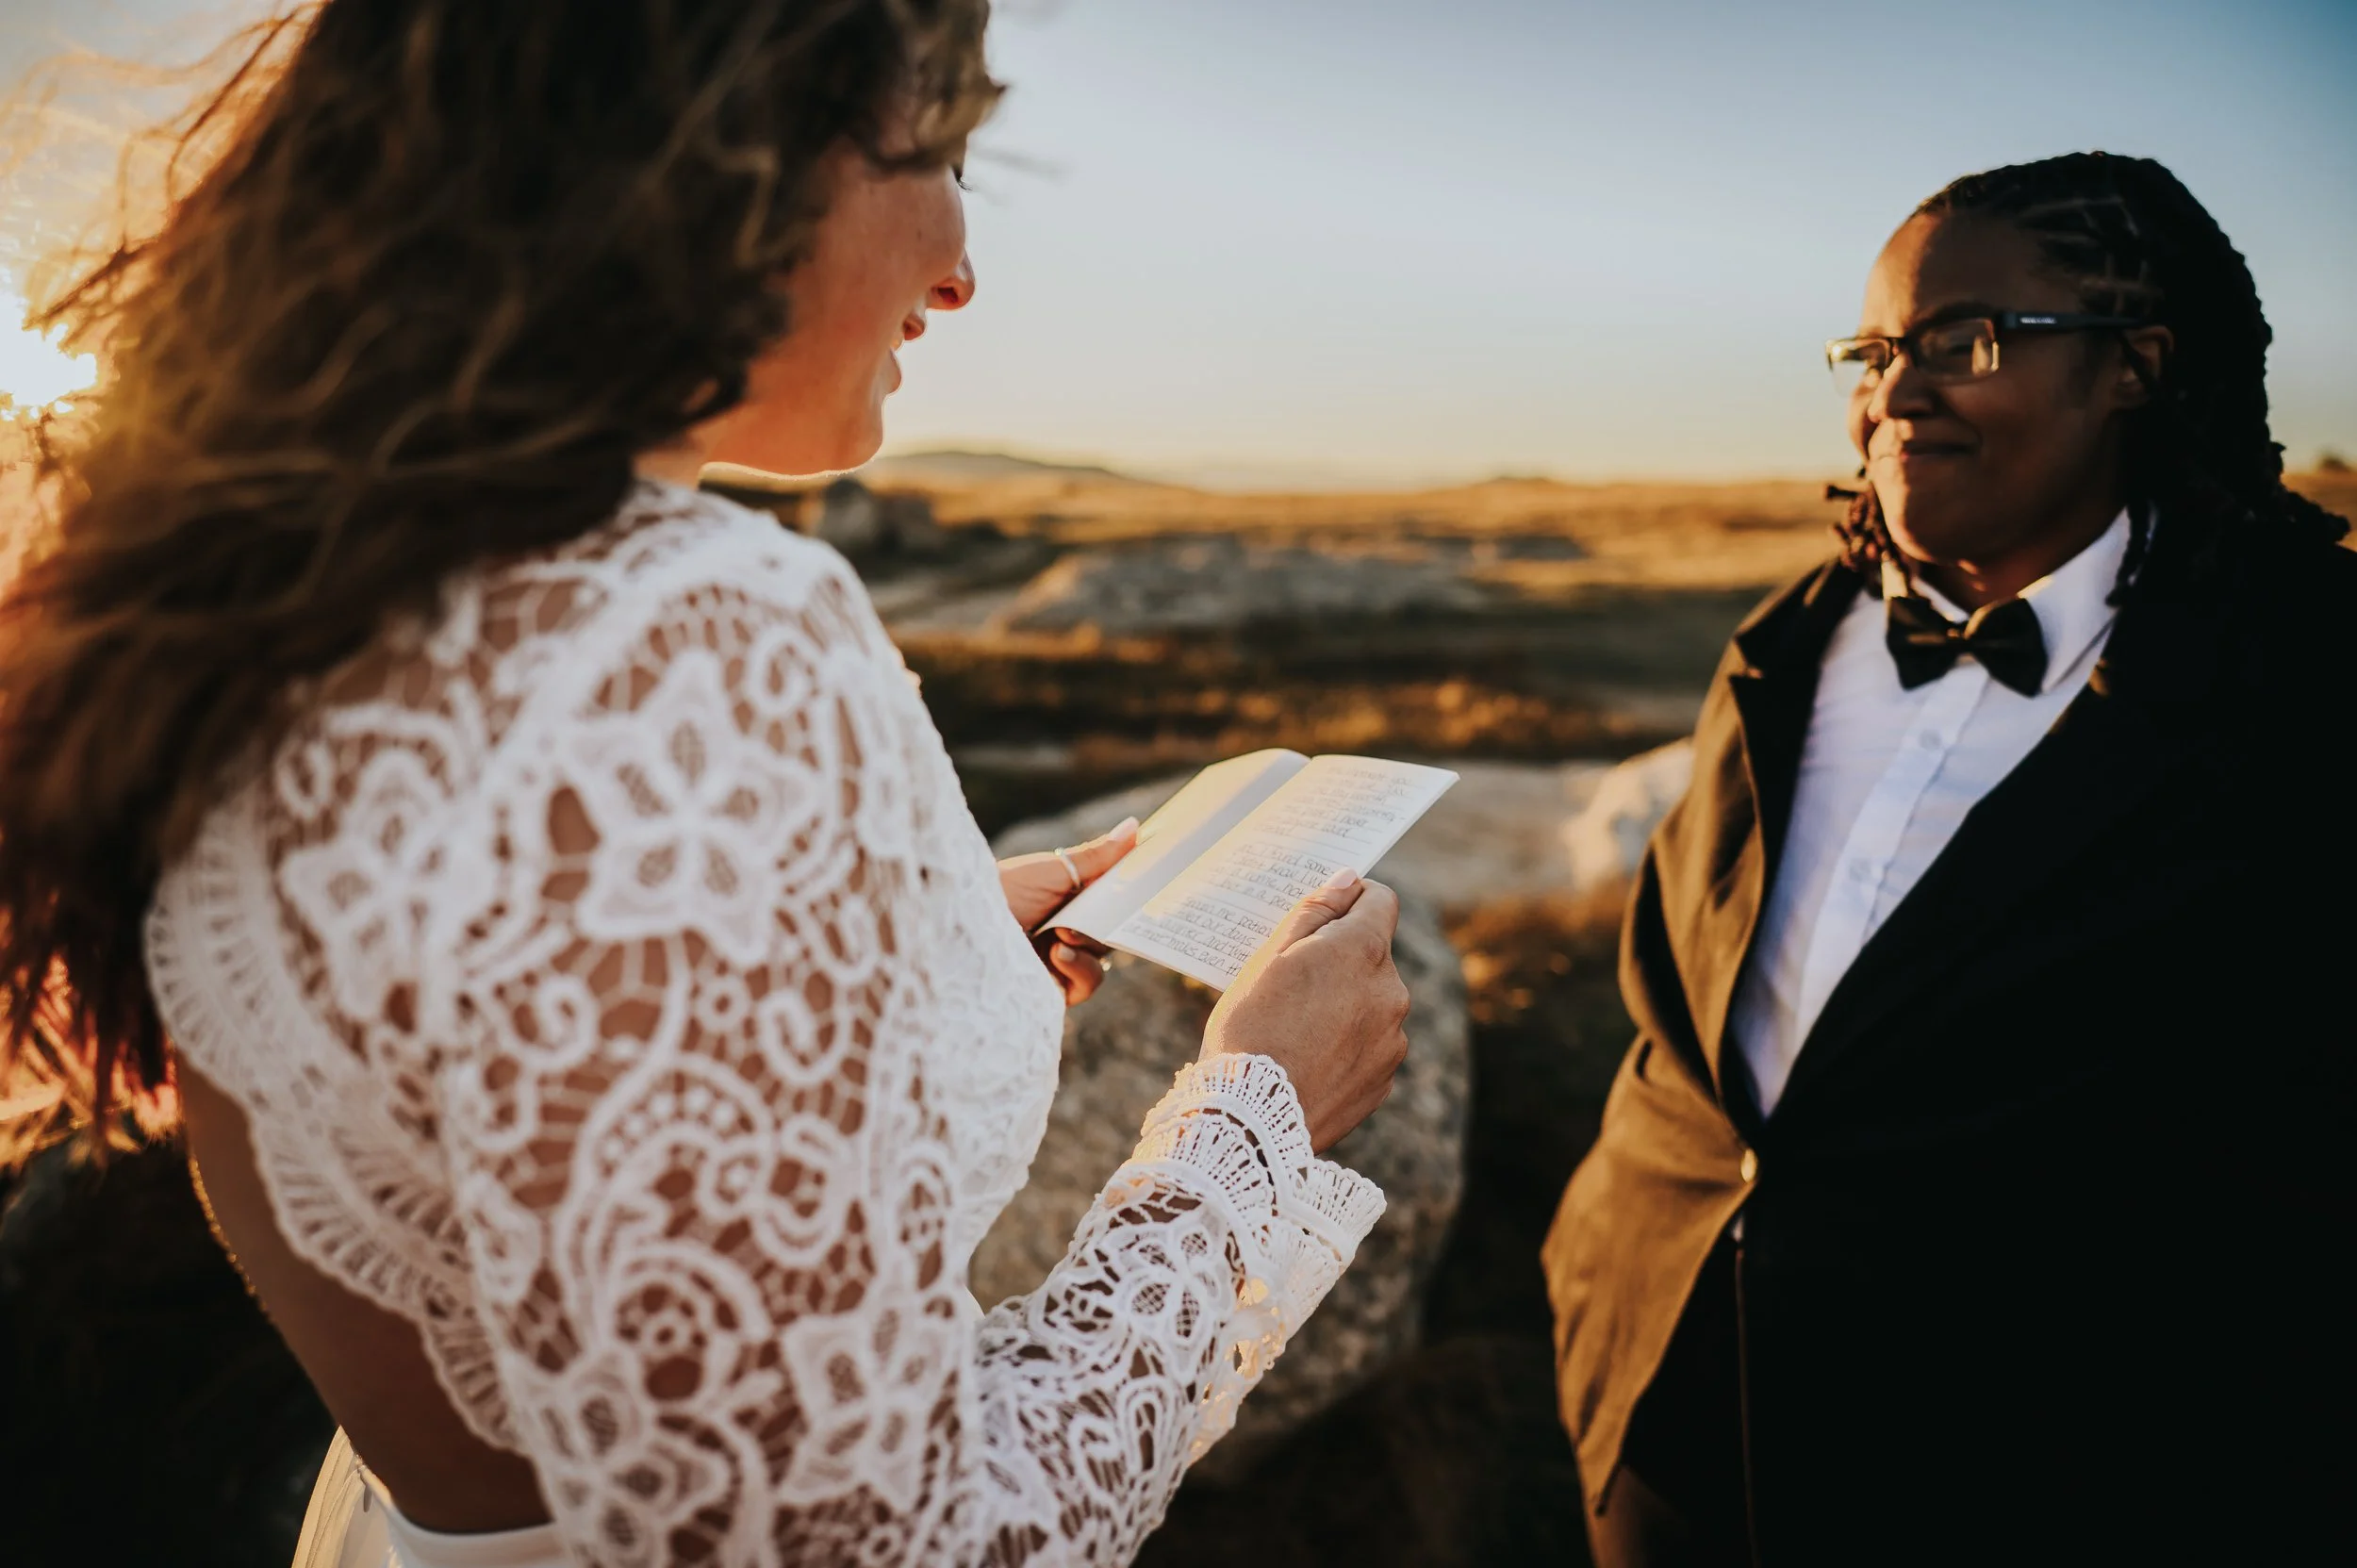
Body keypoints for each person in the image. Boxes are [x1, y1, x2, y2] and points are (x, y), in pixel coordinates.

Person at [0, 4, 1415, 1563]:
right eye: (933, 152)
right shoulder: (676, 641)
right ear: (719, 150)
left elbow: (522, 1046)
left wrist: (921, 933)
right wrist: (1252, 1124)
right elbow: (887, 1548)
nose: (958, 267)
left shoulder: (291, 599)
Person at [1541, 151, 2353, 1565]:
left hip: (2044, 1470)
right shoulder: (1783, 648)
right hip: (1662, 1407)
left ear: (2133, 368)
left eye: (1962, 344)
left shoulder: (2301, 675)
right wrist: (1595, 1281)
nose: (1897, 390)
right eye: (1873, 350)